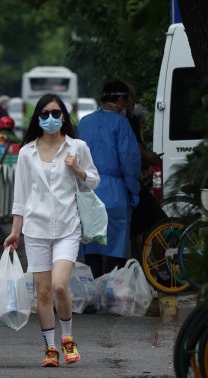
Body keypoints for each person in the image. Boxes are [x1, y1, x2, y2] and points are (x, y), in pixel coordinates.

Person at [3, 93, 100, 367]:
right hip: (35, 229)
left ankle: (68, 338)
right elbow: (20, 196)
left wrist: (78, 169)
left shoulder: (77, 147)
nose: (50, 119)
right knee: (43, 291)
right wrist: (15, 231)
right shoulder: (26, 152)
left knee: (59, 285)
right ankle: (50, 348)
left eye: (56, 113)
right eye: (44, 114)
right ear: (37, 118)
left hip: (68, 228)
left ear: (64, 116)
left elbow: (94, 181)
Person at [76, 81, 141, 279]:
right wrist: (134, 189)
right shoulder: (121, 123)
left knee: (92, 245)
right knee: (116, 244)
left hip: (87, 190)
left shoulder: (85, 122)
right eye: (126, 101)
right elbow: (129, 160)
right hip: (114, 192)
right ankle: (113, 290)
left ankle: (94, 290)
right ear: (121, 100)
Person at [124, 83, 167, 260]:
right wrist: (151, 159)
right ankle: (164, 271)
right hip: (130, 185)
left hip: (119, 186)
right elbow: (139, 153)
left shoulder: (101, 122)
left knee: (133, 231)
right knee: (157, 222)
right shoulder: (130, 121)